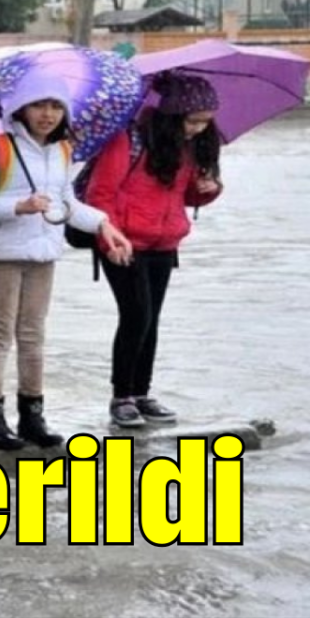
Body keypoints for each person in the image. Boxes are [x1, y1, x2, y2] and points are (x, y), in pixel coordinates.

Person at [0, 73, 133, 450]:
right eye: (39, 105)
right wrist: (19, 206)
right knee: (0, 334)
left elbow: (66, 203)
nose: (48, 114)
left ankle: (32, 416)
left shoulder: (62, 151)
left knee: (33, 335)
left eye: (56, 106)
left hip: (42, 254)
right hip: (0, 255)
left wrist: (103, 224)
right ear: (21, 108)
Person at [84, 73, 223, 428]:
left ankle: (141, 393)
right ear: (172, 115)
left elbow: (185, 197)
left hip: (164, 243)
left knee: (151, 320)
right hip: (123, 241)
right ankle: (121, 397)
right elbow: (100, 194)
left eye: (205, 121)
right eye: (193, 120)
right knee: (136, 316)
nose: (198, 129)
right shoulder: (127, 139)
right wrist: (110, 241)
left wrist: (208, 188)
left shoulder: (188, 148)